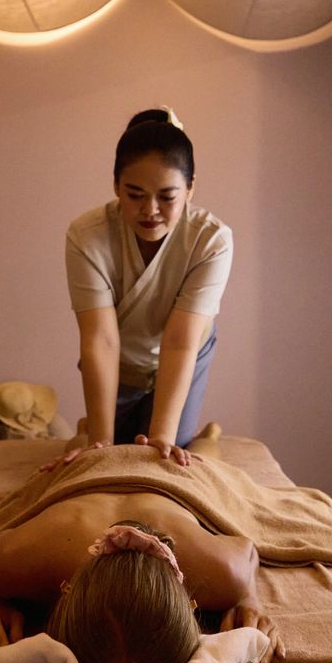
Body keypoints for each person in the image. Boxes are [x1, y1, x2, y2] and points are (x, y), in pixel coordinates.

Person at [0, 469, 284, 663]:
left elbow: (249, 552)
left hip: (164, 471)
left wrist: (249, 599)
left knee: (202, 454)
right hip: (90, 468)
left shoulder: (18, 563)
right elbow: (248, 550)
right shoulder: (16, 563)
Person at [63, 108, 232, 466]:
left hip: (186, 349)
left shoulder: (211, 239)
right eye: (135, 194)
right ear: (115, 186)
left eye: (167, 197)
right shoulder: (87, 235)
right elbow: (100, 339)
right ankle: (90, 429)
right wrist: (99, 440)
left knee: (172, 455)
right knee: (99, 451)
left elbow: (179, 341)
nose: (150, 210)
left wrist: (163, 439)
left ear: (190, 188)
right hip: (119, 354)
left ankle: (207, 436)